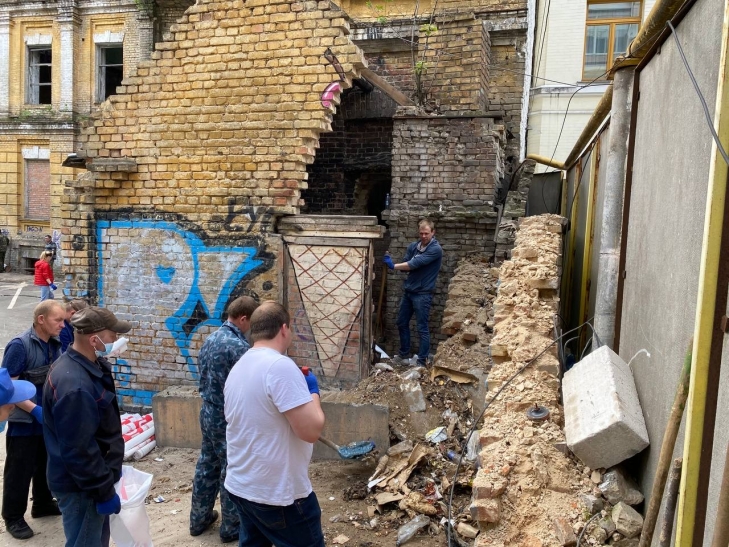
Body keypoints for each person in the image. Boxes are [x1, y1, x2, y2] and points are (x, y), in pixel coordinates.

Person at [224, 302, 325, 546]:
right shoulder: (280, 366)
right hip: (278, 496)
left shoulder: (240, 366)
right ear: (283, 329)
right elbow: (311, 431)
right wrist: (313, 392)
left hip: (242, 487)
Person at [43, 306, 131, 547]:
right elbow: (79, 450)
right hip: (82, 488)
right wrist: (103, 491)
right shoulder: (76, 386)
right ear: (94, 340)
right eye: (113, 335)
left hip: (87, 482)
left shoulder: (84, 366)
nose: (116, 340)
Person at [190, 296, 259, 542]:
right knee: (232, 468)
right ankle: (231, 527)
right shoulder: (238, 347)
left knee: (207, 465)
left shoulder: (210, 339)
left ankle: (198, 520)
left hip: (208, 412)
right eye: (251, 323)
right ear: (243, 319)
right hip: (227, 416)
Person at [1, 300, 65, 540]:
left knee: (45, 464)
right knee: (19, 470)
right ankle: (13, 517)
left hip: (46, 419)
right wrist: (35, 410)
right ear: (41, 320)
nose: (62, 325)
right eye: (58, 320)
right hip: (24, 422)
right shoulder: (20, 346)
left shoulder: (55, 344)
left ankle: (42, 503)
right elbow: (8, 387)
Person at [384, 218, 443, 367]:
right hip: (409, 291)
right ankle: (404, 355)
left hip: (423, 293)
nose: (423, 236)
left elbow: (414, 264)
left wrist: (393, 266)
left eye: (426, 233)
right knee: (401, 322)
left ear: (433, 232)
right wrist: (402, 266)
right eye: (421, 233)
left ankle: (422, 361)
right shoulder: (413, 247)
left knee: (422, 327)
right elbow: (406, 264)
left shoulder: (435, 249)